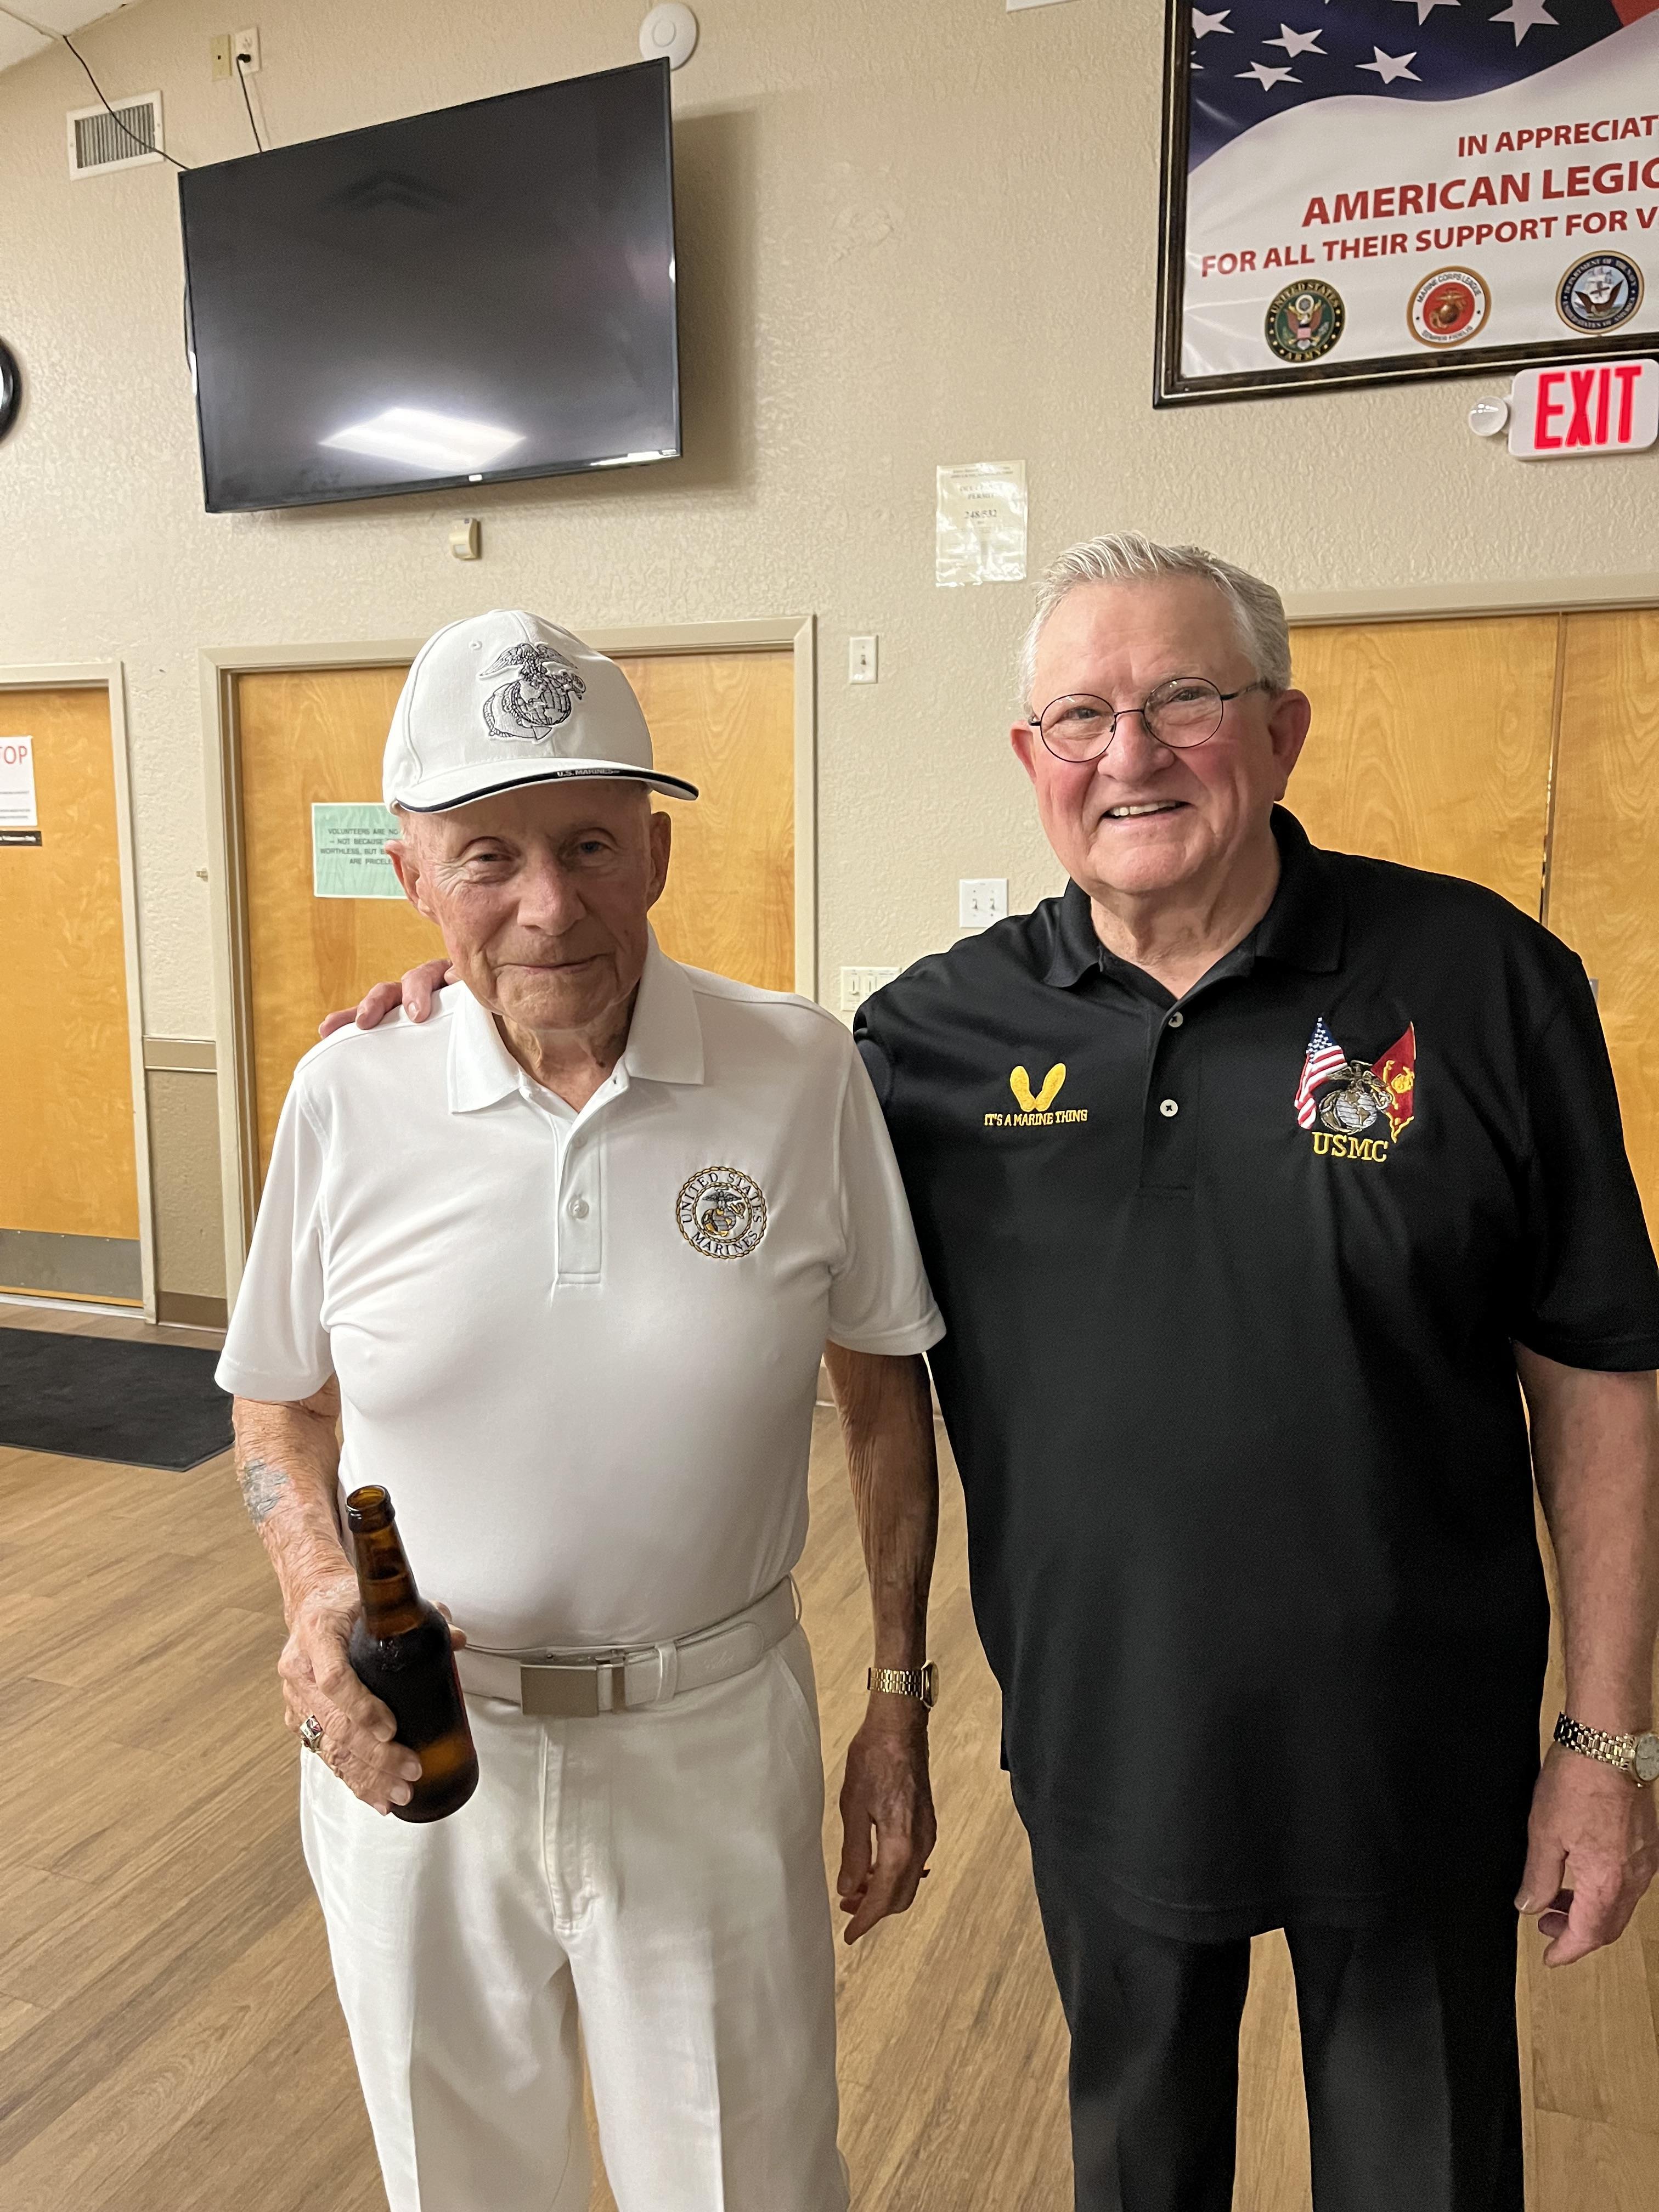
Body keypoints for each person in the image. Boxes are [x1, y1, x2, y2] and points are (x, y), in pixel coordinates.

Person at [356, 543, 1659, 2212]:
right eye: (1081, 716)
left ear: (1283, 730)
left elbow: (1599, 1379)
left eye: (1185, 700)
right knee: (1137, 2160)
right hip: (1110, 1736)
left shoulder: (1484, 984)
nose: (1133, 753)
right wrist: (456, 1012)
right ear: (1031, 762)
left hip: (1420, 1747)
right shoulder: (919, 1048)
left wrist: (1607, 1747)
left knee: (1429, 2168)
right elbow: (674, 1102)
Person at [220, 609, 945, 2212]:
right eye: (486, 855)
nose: (549, 906)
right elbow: (275, 1403)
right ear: (410, 879)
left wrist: (898, 1700)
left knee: (746, 2181)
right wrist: (312, 1586)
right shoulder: (348, 1092)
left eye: (591, 843)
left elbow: (885, 1397)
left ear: (659, 854)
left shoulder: (802, 1071)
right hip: (418, 1759)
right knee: (462, 2181)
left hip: (708, 1742)